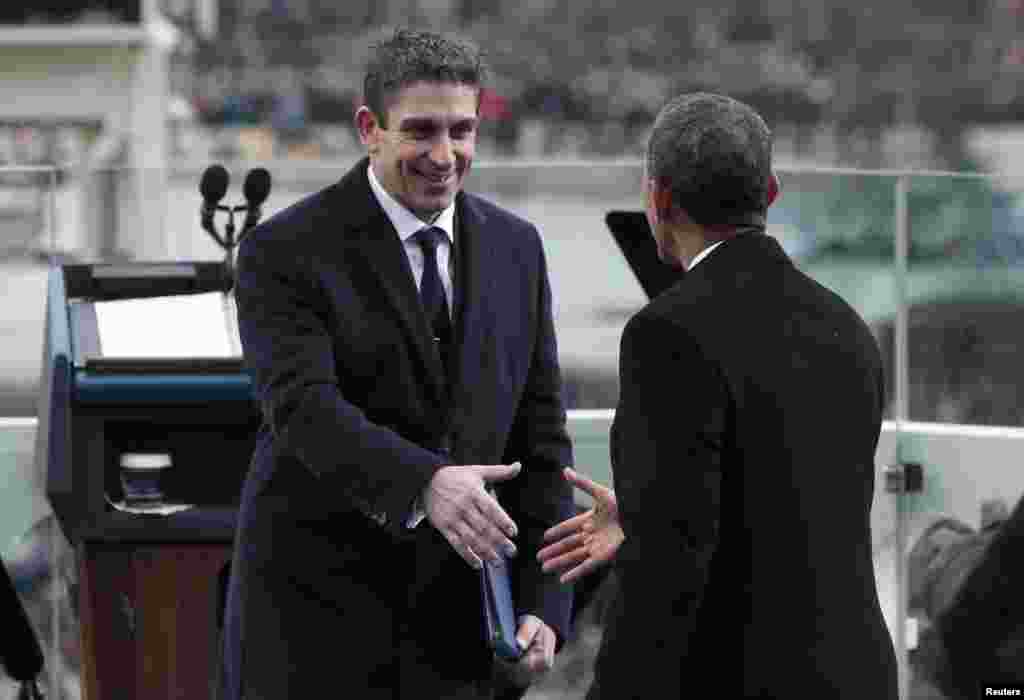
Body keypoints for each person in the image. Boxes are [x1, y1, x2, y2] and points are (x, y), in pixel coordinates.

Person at [222, 29, 575, 700]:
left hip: (460, 643)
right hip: (315, 637)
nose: (444, 155)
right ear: (369, 129)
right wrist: (424, 483)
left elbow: (543, 441)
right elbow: (302, 408)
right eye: (421, 131)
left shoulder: (518, 248)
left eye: (461, 131)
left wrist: (544, 602)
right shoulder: (282, 250)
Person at [538, 92, 898, 699]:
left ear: (658, 199)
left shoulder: (665, 334)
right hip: (858, 675)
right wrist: (645, 511)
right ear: (771, 192)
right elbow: (794, 502)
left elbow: (666, 573)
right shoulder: (848, 327)